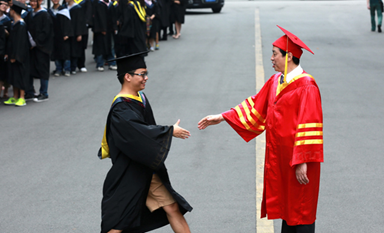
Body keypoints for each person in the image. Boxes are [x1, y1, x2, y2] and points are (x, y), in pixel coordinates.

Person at [198, 25, 323, 233]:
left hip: (298, 160)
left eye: (275, 54)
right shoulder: (276, 81)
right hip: (281, 159)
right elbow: (256, 105)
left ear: (289, 56)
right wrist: (222, 117)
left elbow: (310, 124)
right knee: (287, 210)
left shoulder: (307, 86)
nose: (271, 58)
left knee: (301, 210)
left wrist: (302, 161)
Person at [99, 50, 192, 233]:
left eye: (145, 74)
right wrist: (169, 130)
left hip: (146, 169)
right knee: (118, 222)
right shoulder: (121, 108)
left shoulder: (139, 97)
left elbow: (145, 132)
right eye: (142, 74)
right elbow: (138, 134)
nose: (146, 78)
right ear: (127, 76)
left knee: (172, 207)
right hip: (129, 173)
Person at [25, 0, 54, 102]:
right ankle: (30, 92)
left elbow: (46, 32)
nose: (32, 3)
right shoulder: (30, 14)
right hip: (31, 48)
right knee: (30, 69)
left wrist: (36, 42)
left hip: (42, 48)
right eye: (31, 1)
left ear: (40, 1)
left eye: (34, 1)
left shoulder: (45, 15)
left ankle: (44, 93)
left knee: (43, 70)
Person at [3, 0, 30, 106]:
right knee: (13, 76)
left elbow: (21, 44)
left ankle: (22, 98)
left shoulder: (21, 25)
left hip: (20, 57)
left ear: (13, 11)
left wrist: (16, 56)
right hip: (12, 55)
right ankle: (15, 96)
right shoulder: (14, 24)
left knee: (20, 76)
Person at [49, 0, 73, 77]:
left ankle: (67, 69)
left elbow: (68, 23)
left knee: (65, 53)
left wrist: (67, 34)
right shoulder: (50, 11)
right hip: (54, 36)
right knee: (56, 53)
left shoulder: (64, 10)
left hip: (63, 35)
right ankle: (58, 69)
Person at [65, 0, 87, 75]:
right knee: (70, 50)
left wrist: (79, 33)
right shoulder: (65, 7)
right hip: (68, 32)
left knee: (78, 49)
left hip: (76, 31)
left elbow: (80, 22)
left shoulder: (78, 8)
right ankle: (71, 67)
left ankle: (81, 65)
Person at [0, 0, 11, 98]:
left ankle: (5, 90)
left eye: (6, 5)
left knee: (3, 73)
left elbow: (11, 38)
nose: (4, 6)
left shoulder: (7, 20)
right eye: (2, 4)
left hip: (2, 50)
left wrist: (7, 33)